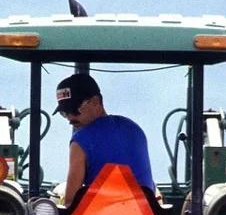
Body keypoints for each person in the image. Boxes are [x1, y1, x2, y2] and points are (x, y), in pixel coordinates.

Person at [54, 73, 154, 206]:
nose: (70, 118)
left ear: (96, 101)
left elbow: (71, 202)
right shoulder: (134, 128)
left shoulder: (80, 141)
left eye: (74, 110)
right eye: (64, 113)